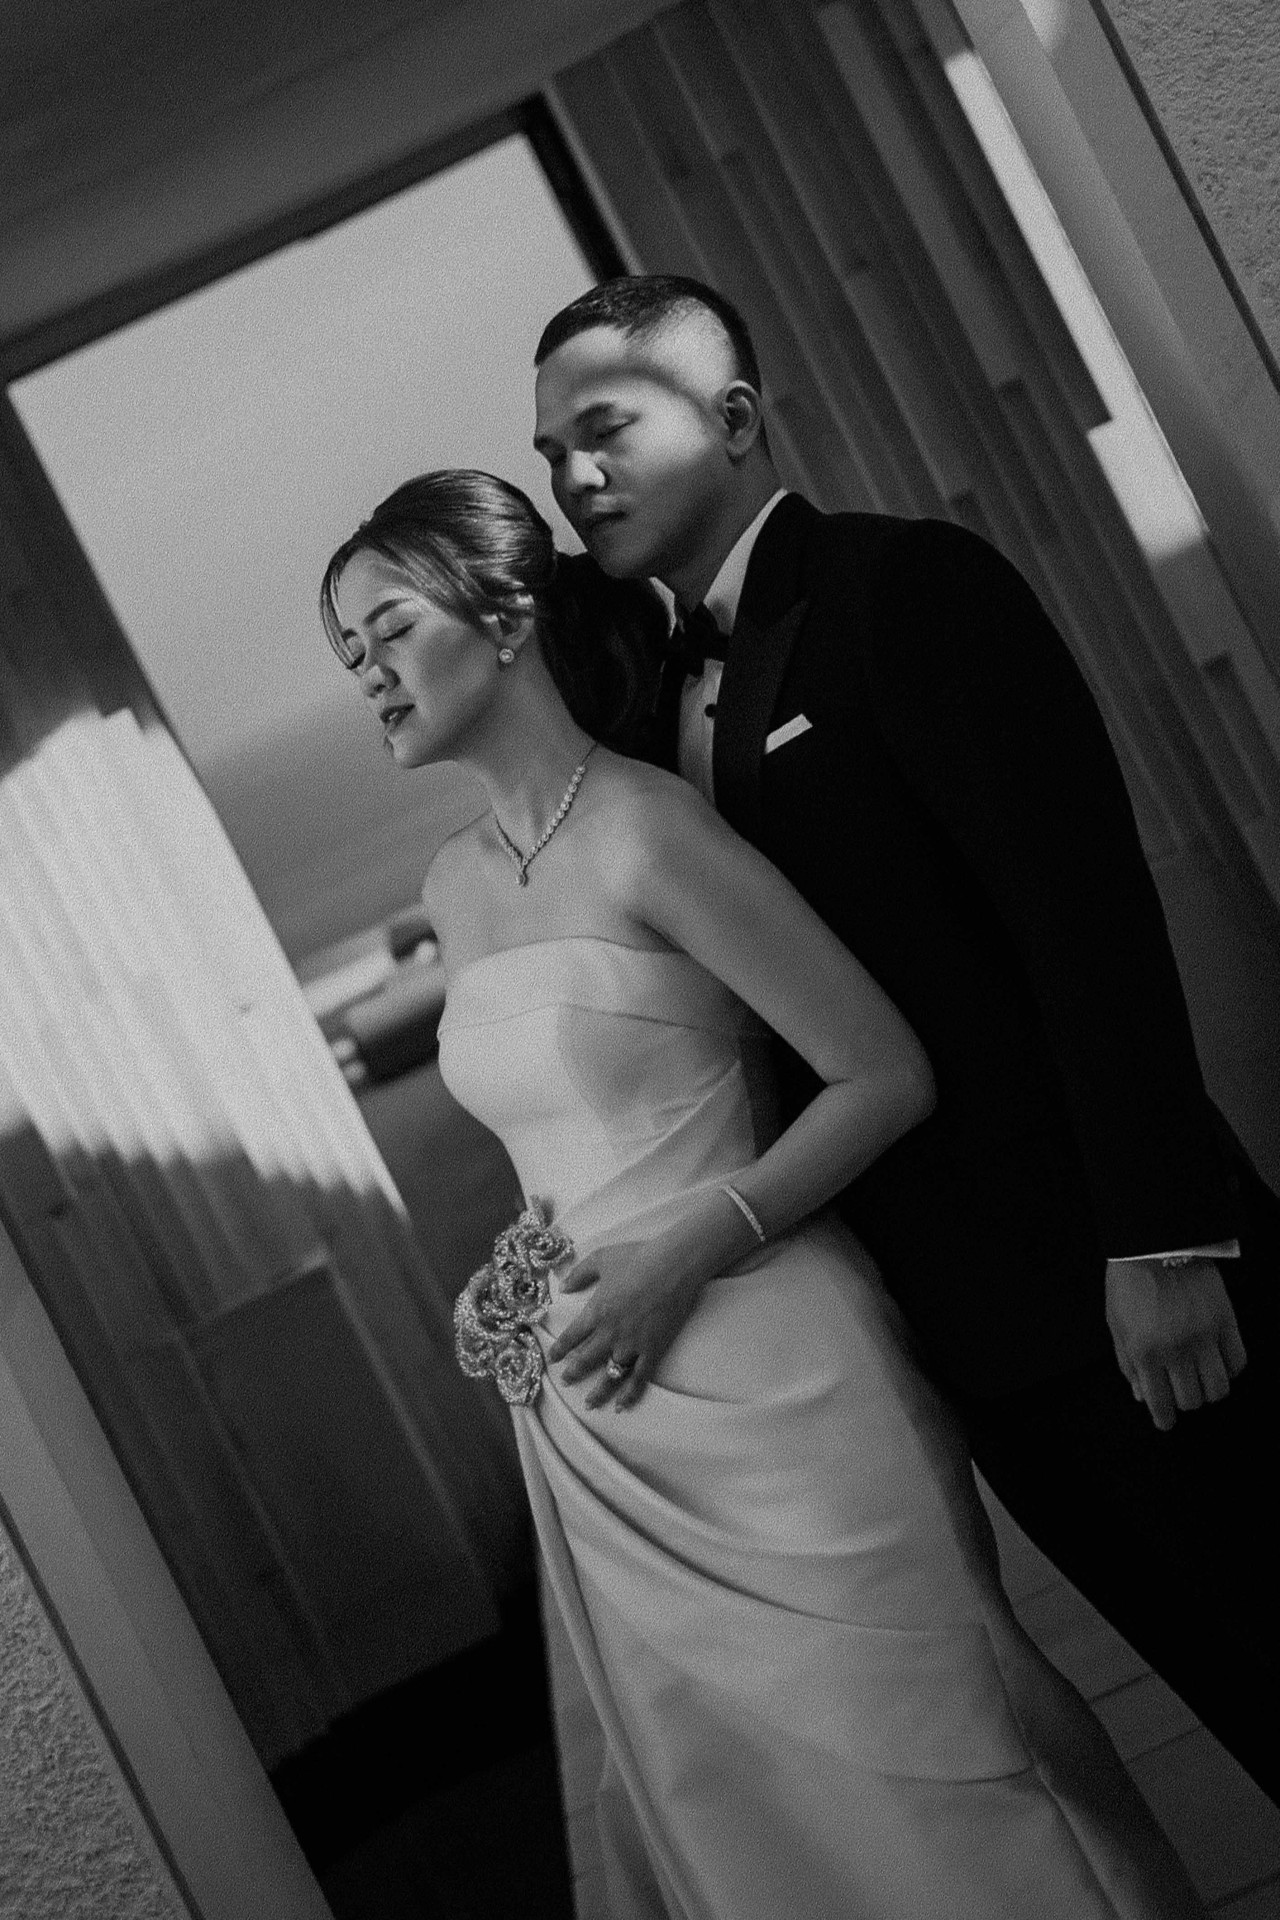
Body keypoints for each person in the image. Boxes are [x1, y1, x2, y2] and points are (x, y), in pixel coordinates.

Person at [320, 469, 1207, 1919]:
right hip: (609, 1421)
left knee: (944, 1780)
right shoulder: (451, 889)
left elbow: (882, 1072)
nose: (367, 674)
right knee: (749, 1825)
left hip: (778, 1379)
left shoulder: (653, 830)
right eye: (346, 653)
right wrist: (523, 1274)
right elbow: (566, 1135)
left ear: (507, 616)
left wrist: (684, 1249)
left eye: (391, 629)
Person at [530, 272, 1280, 1806]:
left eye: (603, 428)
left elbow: (1084, 914)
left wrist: (1162, 1241)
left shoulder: (908, 588)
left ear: (735, 416)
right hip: (967, 1334)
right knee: (1240, 1695)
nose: (574, 474)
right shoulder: (650, 704)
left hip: (1124, 1282)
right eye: (551, 454)